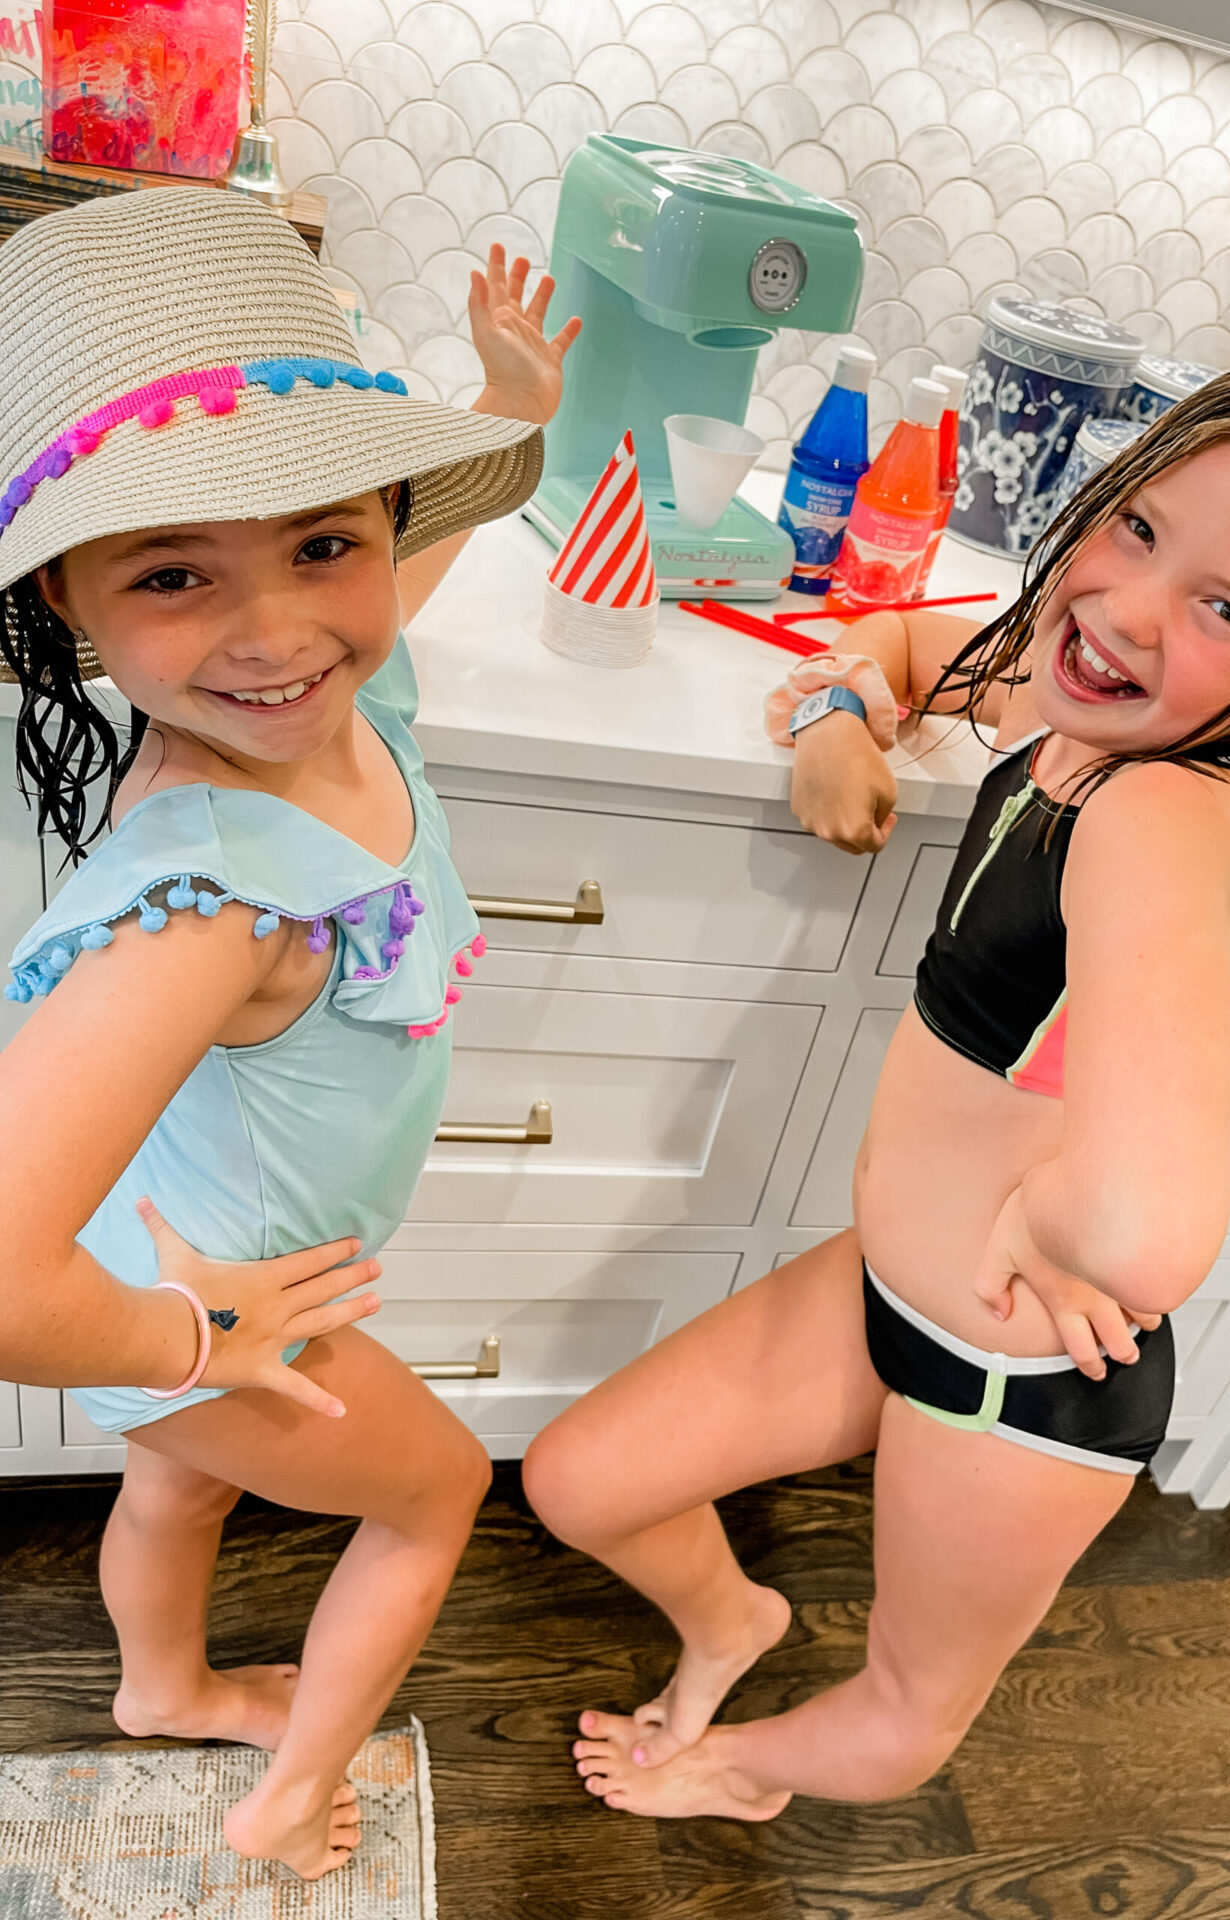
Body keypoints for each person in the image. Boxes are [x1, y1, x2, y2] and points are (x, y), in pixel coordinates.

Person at [523, 358, 1230, 1819]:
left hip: (1021, 1384)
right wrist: (839, 708)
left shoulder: (1159, 813)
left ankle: (738, 1773)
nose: (1130, 609)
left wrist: (1064, 1226)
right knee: (582, 1479)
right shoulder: (1078, 695)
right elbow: (901, 639)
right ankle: (734, 1620)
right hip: (888, 1290)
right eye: (1138, 531)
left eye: (1223, 611)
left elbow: (1149, 1234)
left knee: (902, 1711)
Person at [0, 186, 576, 1877]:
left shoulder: (338, 686)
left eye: (327, 543)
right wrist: (189, 1343)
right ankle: (289, 1793)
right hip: (214, 1304)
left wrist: (517, 412)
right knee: (437, 1494)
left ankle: (163, 1690)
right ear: (70, 614)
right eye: (176, 574)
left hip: (191, 1260)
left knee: (177, 1490)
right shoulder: (214, 905)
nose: (279, 630)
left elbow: (380, 584)